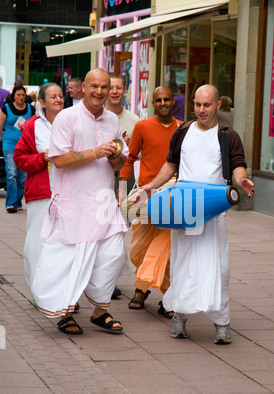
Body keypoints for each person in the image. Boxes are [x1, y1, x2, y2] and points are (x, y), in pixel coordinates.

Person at [136, 84, 255, 343]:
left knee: (217, 267)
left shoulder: (227, 135)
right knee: (182, 265)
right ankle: (179, 316)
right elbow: (171, 164)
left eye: (207, 105)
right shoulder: (183, 131)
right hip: (185, 209)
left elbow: (237, 166)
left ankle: (222, 323)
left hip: (213, 210)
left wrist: (242, 180)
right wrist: (152, 185)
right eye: (198, 104)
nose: (201, 110)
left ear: (218, 105)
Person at [30, 68, 129, 335]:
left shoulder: (112, 121)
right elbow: (59, 159)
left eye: (104, 87)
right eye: (94, 86)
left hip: (104, 202)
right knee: (70, 260)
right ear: (83, 87)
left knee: (112, 255)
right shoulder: (66, 117)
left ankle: (99, 311)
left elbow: (120, 162)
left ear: (111, 90)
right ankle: (65, 311)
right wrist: (96, 152)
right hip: (73, 202)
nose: (99, 91)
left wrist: (114, 157)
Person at [118, 86, 182, 317]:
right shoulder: (142, 126)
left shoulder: (183, 128)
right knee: (137, 249)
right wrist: (122, 189)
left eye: (167, 99)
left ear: (173, 101)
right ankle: (151, 289)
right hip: (144, 197)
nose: (163, 103)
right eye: (159, 100)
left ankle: (152, 292)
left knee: (163, 245)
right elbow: (130, 157)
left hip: (174, 197)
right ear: (153, 103)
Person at [13, 83, 64, 288]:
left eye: (61, 95)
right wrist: (42, 158)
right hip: (41, 193)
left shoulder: (70, 122)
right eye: (53, 97)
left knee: (63, 245)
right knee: (37, 244)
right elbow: (20, 158)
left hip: (67, 193)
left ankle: (63, 291)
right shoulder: (33, 125)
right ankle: (39, 288)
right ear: (42, 102)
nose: (59, 99)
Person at [106, 73, 140, 299]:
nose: (115, 91)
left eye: (119, 87)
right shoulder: (100, 118)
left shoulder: (135, 120)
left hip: (126, 181)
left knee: (121, 230)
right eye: (112, 87)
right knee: (104, 228)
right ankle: (104, 279)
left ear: (125, 90)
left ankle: (112, 278)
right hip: (103, 178)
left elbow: (140, 153)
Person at [0, 84, 35, 213]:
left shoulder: (30, 109)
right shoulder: (6, 108)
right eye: (18, 95)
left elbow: (34, 127)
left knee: (22, 177)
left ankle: (18, 201)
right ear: (13, 96)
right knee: (11, 174)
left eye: (23, 95)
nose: (21, 97)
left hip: (25, 147)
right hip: (9, 145)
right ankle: (10, 204)